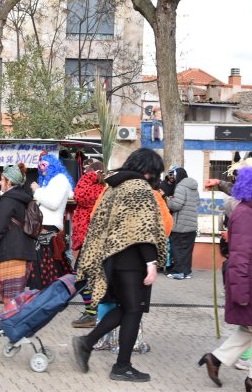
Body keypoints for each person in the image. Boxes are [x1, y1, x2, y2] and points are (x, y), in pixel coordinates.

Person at [72, 148, 167, 382]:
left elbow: (100, 221)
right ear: (148, 170)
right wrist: (151, 262)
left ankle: (87, 342)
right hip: (132, 260)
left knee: (125, 308)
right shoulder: (139, 188)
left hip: (113, 258)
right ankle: (121, 366)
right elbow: (143, 228)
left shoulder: (115, 186)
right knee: (133, 310)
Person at [198, 167, 252, 392]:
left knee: (251, 328)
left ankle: (215, 359)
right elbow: (240, 256)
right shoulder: (246, 214)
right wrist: (239, 291)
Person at [0, 163, 36, 305]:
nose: (0, 182)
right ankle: (15, 323)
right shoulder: (24, 198)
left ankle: (12, 324)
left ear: (9, 182)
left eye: (2, 180)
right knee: (17, 295)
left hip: (11, 251)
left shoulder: (8, 200)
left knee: (11, 297)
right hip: (25, 250)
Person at [28, 154, 74, 289]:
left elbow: (53, 203)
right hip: (45, 227)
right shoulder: (53, 181)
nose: (41, 169)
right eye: (40, 165)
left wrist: (37, 191)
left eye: (44, 165)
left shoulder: (60, 180)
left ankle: (50, 297)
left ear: (52, 165)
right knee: (45, 269)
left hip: (49, 228)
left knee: (48, 269)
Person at [70, 159, 106, 328]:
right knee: (86, 279)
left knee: (82, 278)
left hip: (92, 241)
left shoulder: (96, 189)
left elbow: (79, 194)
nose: (84, 174)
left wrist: (91, 175)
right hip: (89, 241)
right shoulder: (97, 188)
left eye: (88, 171)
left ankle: (92, 314)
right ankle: (92, 312)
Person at [166, 167, 199, 280]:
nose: (173, 178)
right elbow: (195, 203)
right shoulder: (194, 188)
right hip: (191, 225)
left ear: (178, 175)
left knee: (177, 248)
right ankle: (187, 272)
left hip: (180, 225)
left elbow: (176, 206)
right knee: (187, 250)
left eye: (174, 175)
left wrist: (168, 200)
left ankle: (178, 272)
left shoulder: (180, 187)